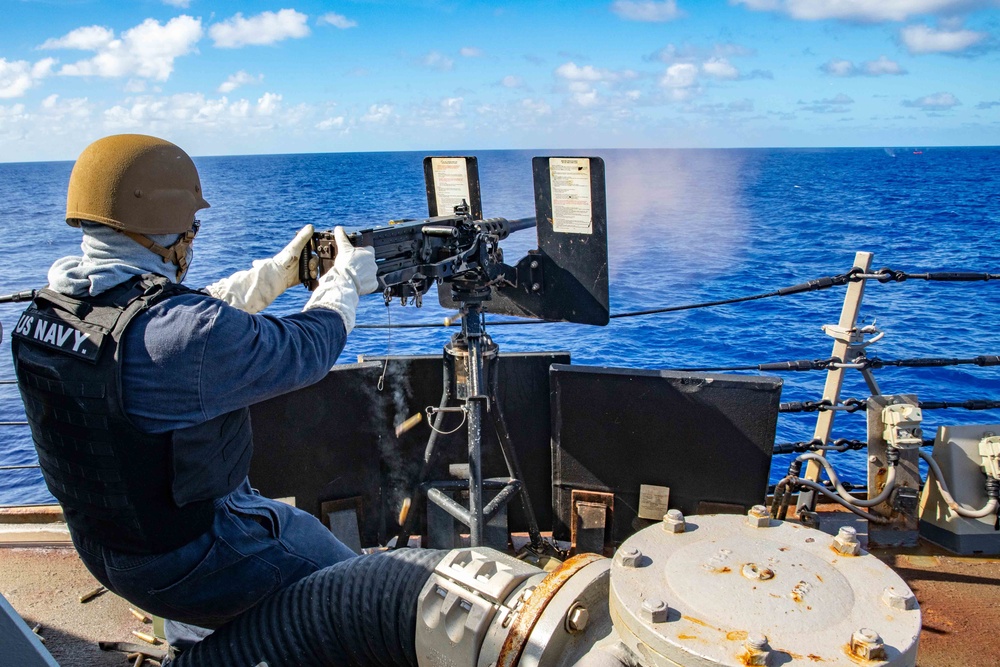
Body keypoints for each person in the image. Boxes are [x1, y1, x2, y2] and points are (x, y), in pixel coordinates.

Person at [10, 134, 378, 650]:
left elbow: (173, 317)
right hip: (195, 556)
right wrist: (342, 285)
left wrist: (271, 276)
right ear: (170, 233)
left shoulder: (47, 315)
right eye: (193, 228)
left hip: (109, 549)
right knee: (367, 595)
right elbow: (304, 350)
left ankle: (197, 641)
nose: (194, 238)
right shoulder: (184, 335)